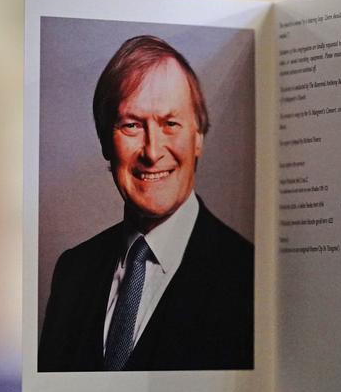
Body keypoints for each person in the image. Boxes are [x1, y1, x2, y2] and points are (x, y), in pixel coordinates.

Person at [38, 35, 253, 372]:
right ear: (105, 143)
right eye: (132, 125)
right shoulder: (73, 272)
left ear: (198, 138)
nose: (152, 152)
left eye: (170, 124)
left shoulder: (247, 274)